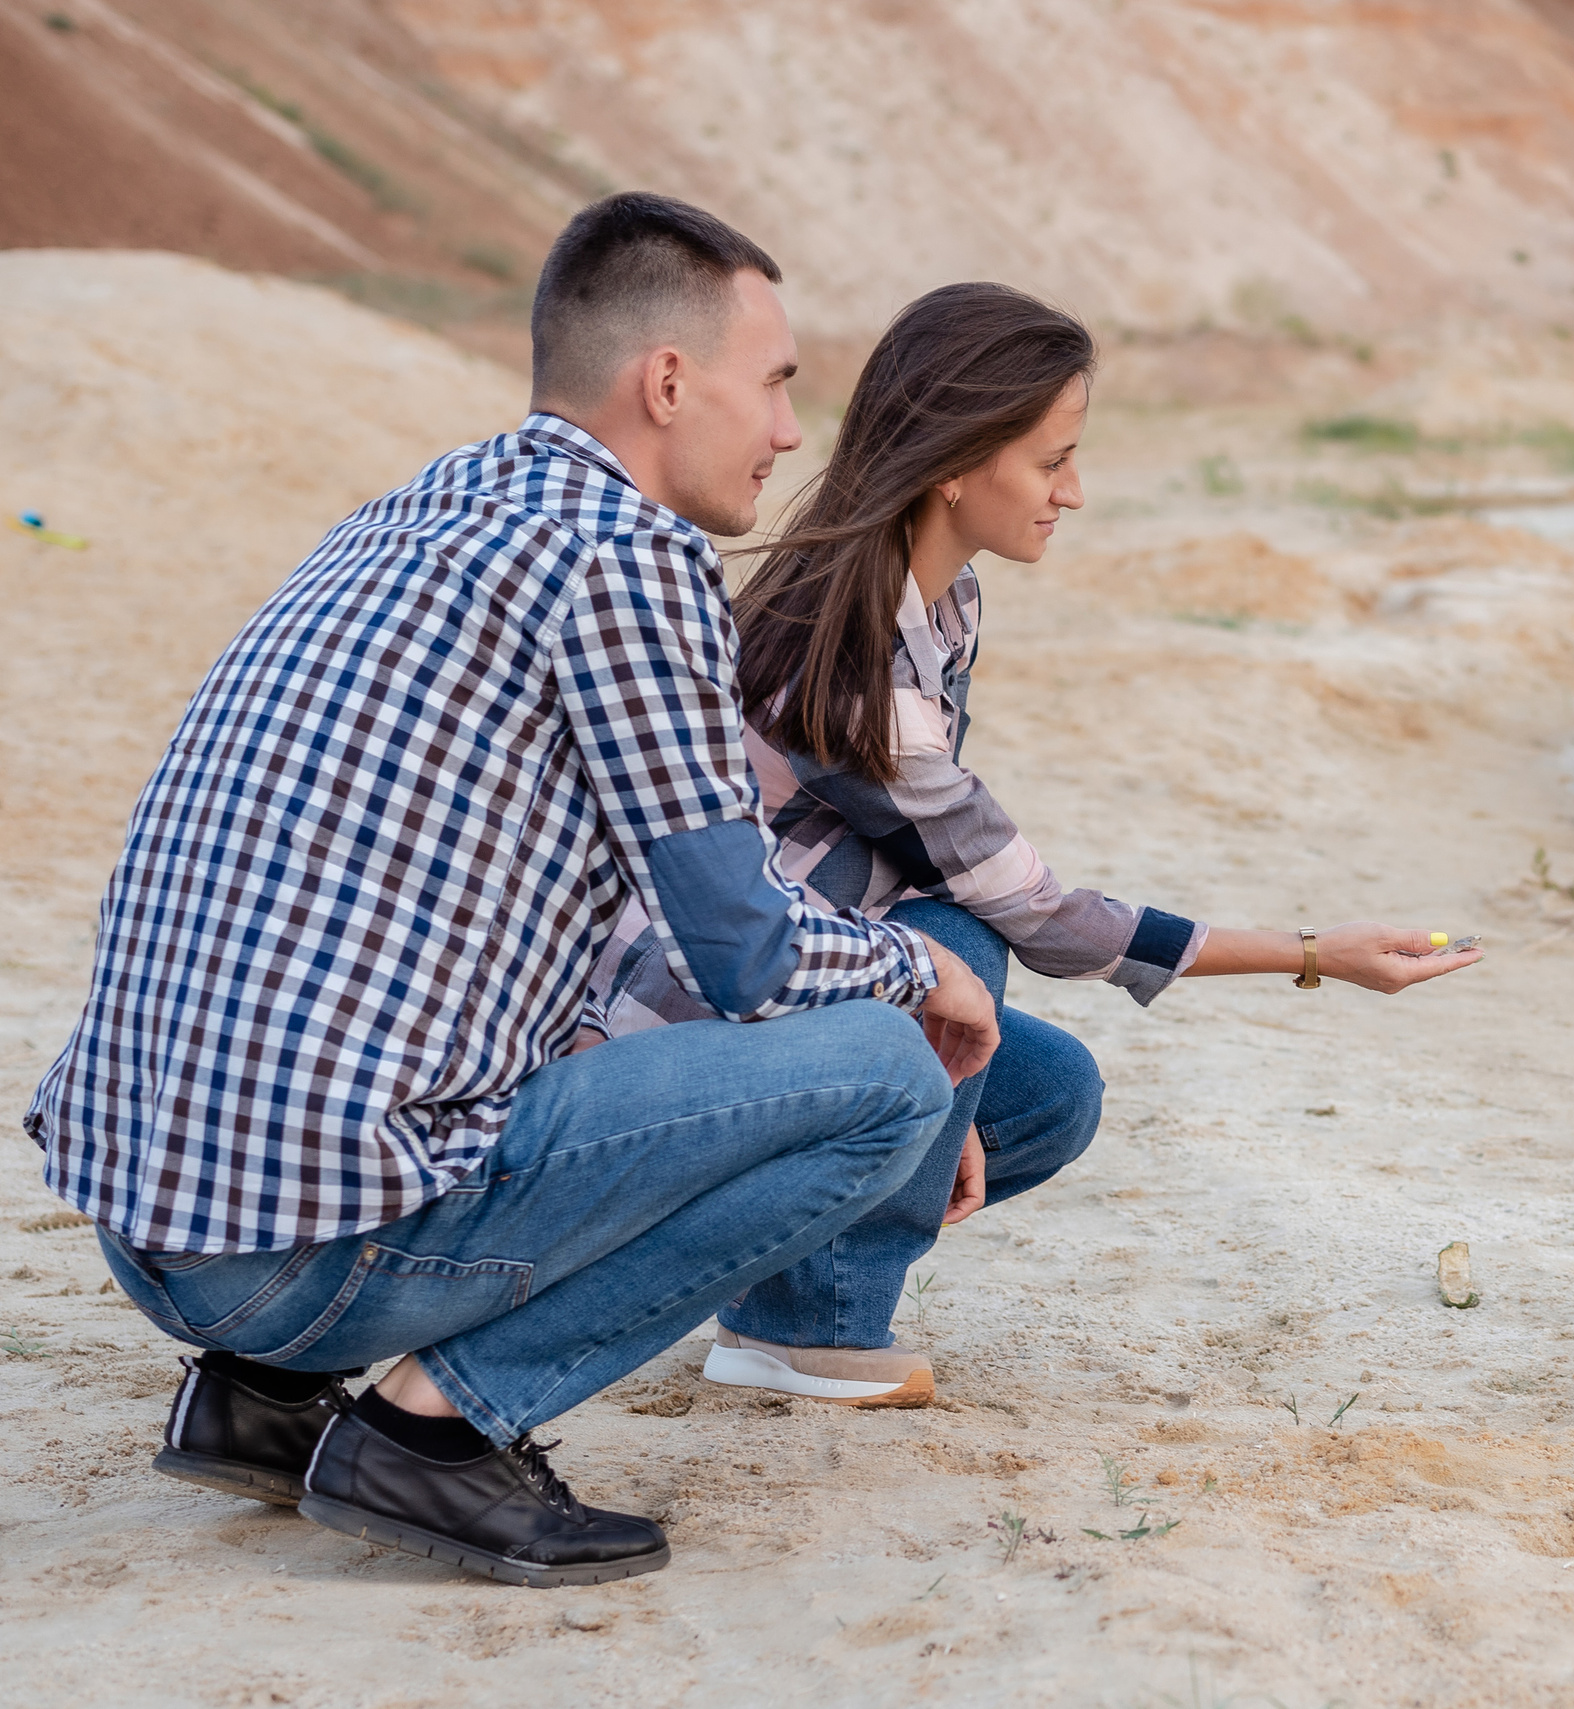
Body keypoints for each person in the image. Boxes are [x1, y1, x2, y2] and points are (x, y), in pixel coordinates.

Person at [21, 193, 1008, 1587]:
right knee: (888, 1073)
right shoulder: (629, 554)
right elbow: (744, 955)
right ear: (668, 381)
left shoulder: (422, 508)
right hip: (306, 1262)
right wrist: (929, 971)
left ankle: (259, 1400)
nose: (792, 431)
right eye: (776, 383)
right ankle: (436, 1440)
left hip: (155, 1233)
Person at [588, 280, 1486, 1407]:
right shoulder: (855, 665)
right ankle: (800, 1325)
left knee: (1048, 1091)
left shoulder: (941, 597)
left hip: (796, 1003)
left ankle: (790, 1264)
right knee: (963, 936)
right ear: (955, 463)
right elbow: (1041, 915)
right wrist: (1318, 953)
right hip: (686, 1039)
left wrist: (931, 1115)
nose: (1074, 491)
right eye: (1050, 460)